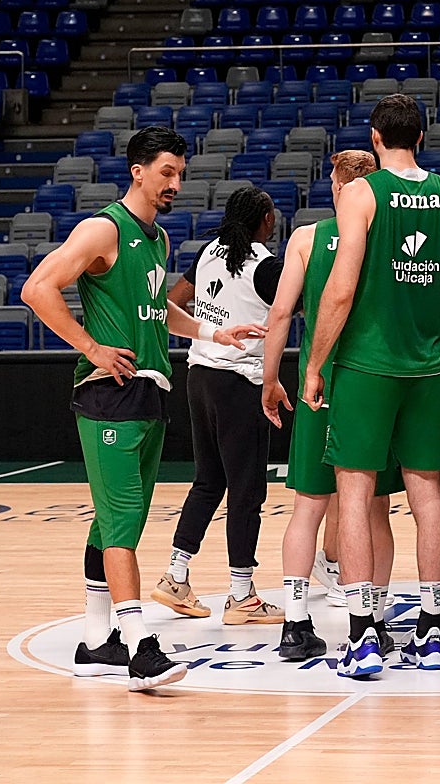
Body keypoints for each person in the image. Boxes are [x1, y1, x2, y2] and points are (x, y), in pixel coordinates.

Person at [21, 126, 264, 691]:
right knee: (125, 525)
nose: (175, 183)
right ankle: (140, 649)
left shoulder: (156, 240)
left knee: (110, 524)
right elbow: (38, 288)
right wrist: (92, 348)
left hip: (151, 391)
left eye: (180, 173)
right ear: (137, 171)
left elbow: (159, 311)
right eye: (166, 173)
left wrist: (213, 332)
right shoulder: (103, 228)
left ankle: (97, 637)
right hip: (109, 395)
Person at [303, 95, 440, 678]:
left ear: (374, 138)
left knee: (355, 495)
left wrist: (316, 364)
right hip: (427, 369)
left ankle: (363, 634)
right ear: (420, 137)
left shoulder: (361, 194)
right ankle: (432, 632)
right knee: (427, 497)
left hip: (367, 366)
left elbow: (341, 287)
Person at [262, 150, 407, 661]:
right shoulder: (388, 236)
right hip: (373, 381)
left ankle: (295, 623)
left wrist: (269, 378)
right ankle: (372, 619)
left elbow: (280, 315)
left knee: (307, 510)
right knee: (374, 510)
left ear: (338, 184)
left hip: (316, 384)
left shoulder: (306, 239)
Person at [152, 186, 284, 625]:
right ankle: (242, 596)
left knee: (208, 482)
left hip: (199, 376)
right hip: (238, 383)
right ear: (264, 219)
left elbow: (172, 300)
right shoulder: (265, 267)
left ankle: (175, 575)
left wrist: (212, 323)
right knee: (247, 491)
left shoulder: (208, 251)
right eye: (272, 214)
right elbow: (295, 310)